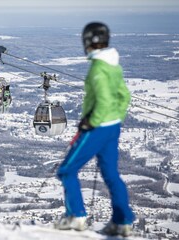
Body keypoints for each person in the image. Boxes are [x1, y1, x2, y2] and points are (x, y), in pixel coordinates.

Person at [54, 22, 135, 237]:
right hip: (113, 127)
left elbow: (104, 100)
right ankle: (122, 220)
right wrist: (115, 118)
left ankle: (76, 216)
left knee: (66, 170)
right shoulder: (114, 65)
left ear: (88, 41)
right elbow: (124, 96)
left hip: (97, 128)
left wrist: (92, 121)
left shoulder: (98, 67)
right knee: (110, 174)